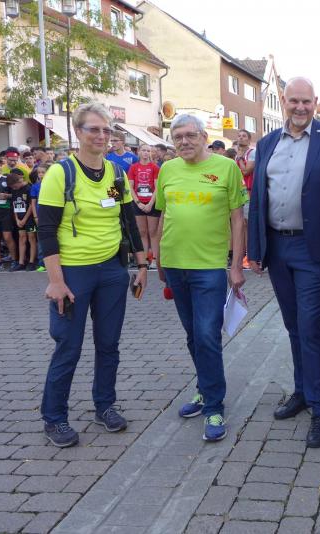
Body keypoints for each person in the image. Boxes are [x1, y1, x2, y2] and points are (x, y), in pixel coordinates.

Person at [248, 77, 320, 448]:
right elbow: (258, 198)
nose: (300, 107)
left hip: (313, 248)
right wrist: (255, 248)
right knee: (293, 326)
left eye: (306, 101)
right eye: (293, 101)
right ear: (283, 100)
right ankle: (302, 391)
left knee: (310, 327)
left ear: (315, 101)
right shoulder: (267, 143)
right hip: (277, 247)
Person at [38, 103, 147, 448]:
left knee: (109, 344)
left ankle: (105, 406)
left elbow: (126, 218)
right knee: (68, 346)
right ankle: (54, 418)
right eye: (93, 129)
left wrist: (142, 265)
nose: (101, 136)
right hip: (73, 273)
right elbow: (46, 231)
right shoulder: (62, 174)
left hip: (112, 271)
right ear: (78, 132)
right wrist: (56, 281)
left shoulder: (115, 175)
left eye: (106, 130)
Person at [156, 114, 247, 442]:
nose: (184, 141)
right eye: (177, 137)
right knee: (193, 335)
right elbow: (164, 215)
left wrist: (236, 266)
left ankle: (213, 406)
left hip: (209, 266)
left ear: (204, 137)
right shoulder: (167, 170)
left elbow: (238, 220)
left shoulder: (227, 168)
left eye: (190, 135)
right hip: (174, 264)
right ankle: (204, 388)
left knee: (207, 335)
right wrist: (158, 258)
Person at [127, 144, 161, 267]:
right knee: (142, 232)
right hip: (138, 203)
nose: (146, 153)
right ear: (139, 152)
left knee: (153, 232)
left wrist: (150, 203)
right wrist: (138, 203)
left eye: (148, 151)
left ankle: (155, 259)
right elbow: (130, 187)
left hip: (152, 203)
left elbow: (157, 188)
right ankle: (145, 259)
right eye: (143, 150)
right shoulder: (133, 167)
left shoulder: (155, 167)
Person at [9, 171, 38, 271]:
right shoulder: (14, 190)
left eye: (14, 186)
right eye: (12, 187)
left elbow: (31, 205)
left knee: (31, 238)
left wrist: (25, 219)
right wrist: (17, 219)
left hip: (29, 218)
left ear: (18, 181)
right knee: (22, 238)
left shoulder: (28, 188)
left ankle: (32, 261)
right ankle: (21, 262)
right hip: (19, 219)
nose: (14, 188)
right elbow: (14, 205)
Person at [235, 129, 255, 269]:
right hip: (239, 193)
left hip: (249, 193)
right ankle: (244, 255)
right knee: (241, 225)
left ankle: (250, 255)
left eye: (244, 136)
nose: (241, 138)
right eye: (239, 136)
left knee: (248, 225)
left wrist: (241, 159)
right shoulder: (237, 155)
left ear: (249, 139)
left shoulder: (251, 153)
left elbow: (246, 171)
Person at [30, 164, 49, 272]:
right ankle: (42, 263)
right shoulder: (35, 186)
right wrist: (35, 216)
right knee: (41, 239)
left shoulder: (54, 185)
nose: (41, 174)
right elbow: (33, 203)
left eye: (43, 172)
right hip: (40, 215)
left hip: (51, 214)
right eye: (39, 172)